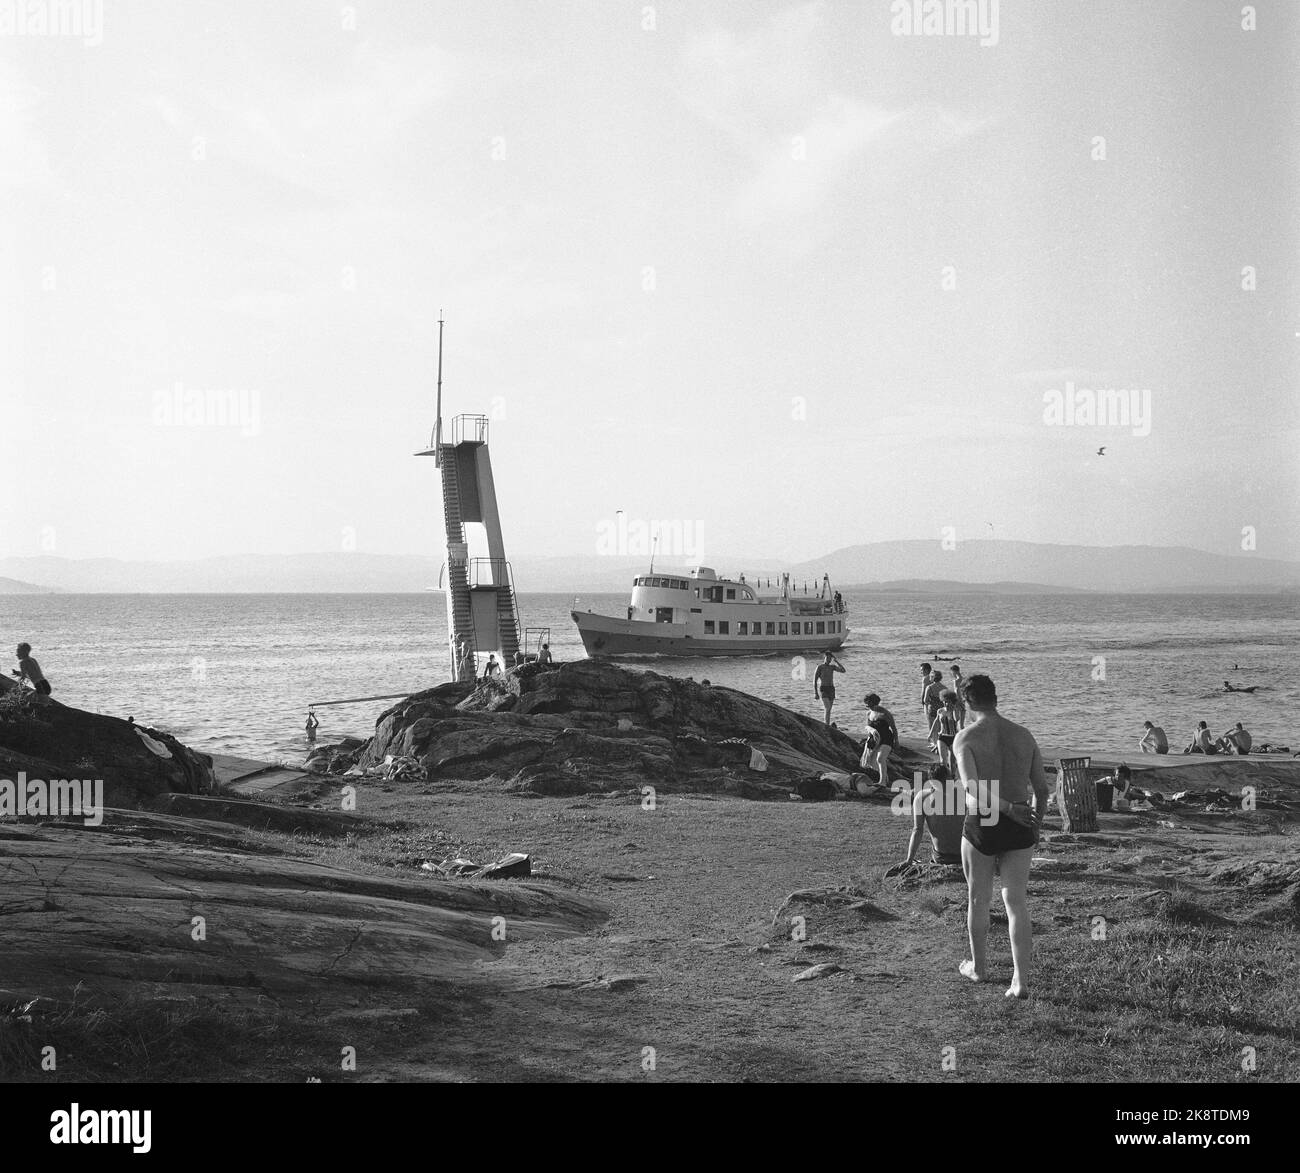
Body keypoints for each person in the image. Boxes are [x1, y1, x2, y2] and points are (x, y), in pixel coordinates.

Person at [953, 673, 1050, 1000]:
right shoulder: (1023, 735)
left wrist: (1005, 808)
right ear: (995, 697)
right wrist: (1034, 825)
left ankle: (979, 969)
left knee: (979, 898)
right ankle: (1020, 981)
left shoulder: (966, 737)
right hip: (1021, 818)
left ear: (967, 702)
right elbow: (1041, 788)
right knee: (1015, 901)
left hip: (986, 817)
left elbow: (971, 787)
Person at [901, 763, 967, 867]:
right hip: (966, 855)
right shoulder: (964, 793)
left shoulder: (922, 797)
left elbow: (917, 830)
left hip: (942, 858)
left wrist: (909, 860)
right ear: (950, 779)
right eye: (953, 777)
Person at [861, 693, 898, 787]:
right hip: (874, 740)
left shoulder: (885, 713)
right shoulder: (868, 713)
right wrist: (871, 730)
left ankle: (882, 782)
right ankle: (885, 779)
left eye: (868, 702)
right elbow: (867, 726)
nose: (867, 705)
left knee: (880, 758)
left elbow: (893, 728)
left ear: (874, 702)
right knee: (872, 763)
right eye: (866, 702)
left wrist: (896, 741)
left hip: (887, 738)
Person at [929, 689, 961, 773]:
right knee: (943, 762)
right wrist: (930, 734)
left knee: (952, 763)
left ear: (952, 702)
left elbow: (956, 719)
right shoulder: (940, 711)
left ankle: (952, 778)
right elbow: (936, 722)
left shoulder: (954, 711)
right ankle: (945, 779)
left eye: (948, 702)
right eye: (944, 701)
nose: (945, 703)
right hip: (942, 737)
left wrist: (954, 709)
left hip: (953, 738)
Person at [813, 651, 845, 725]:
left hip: (831, 689)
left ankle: (827, 724)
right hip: (823, 689)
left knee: (829, 709)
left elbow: (843, 670)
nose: (828, 659)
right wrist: (816, 693)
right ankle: (826, 724)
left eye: (830, 658)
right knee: (827, 708)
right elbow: (815, 680)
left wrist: (836, 661)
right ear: (824, 658)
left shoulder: (832, 667)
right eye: (827, 658)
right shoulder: (820, 667)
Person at [922, 669, 946, 748]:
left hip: (932, 708)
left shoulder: (929, 687)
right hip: (942, 709)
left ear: (932, 677)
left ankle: (935, 743)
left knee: (932, 726)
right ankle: (940, 743)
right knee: (940, 727)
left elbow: (925, 700)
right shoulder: (944, 687)